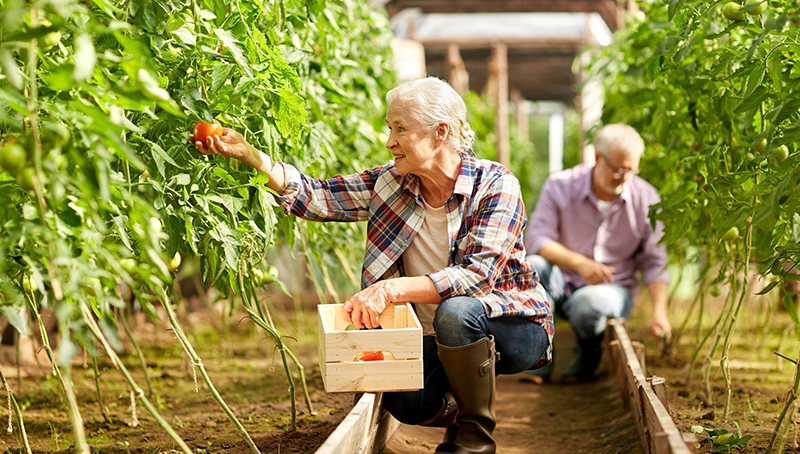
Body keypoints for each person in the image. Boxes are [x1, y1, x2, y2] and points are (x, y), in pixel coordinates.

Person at [193, 77, 553, 454]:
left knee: (456, 311)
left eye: (400, 129)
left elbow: (477, 278)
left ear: (439, 133)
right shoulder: (390, 182)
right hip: (435, 338)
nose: (389, 141)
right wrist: (252, 156)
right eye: (389, 128)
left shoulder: (495, 185)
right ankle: (459, 407)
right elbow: (319, 196)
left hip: (513, 324)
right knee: (402, 399)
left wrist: (389, 289)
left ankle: (475, 441)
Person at [521, 123, 670, 384]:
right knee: (533, 265)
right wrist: (579, 263)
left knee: (587, 304)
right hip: (562, 280)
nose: (624, 177)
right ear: (598, 157)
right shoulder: (561, 185)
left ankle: (590, 352)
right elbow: (537, 239)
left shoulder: (648, 200)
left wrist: (659, 312)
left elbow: (655, 262)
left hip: (613, 289)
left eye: (632, 170)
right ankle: (538, 354)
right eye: (618, 169)